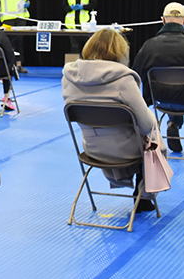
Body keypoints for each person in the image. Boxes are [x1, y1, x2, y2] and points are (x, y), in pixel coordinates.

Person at [62, 28, 158, 212]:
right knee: (153, 139)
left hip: (91, 149)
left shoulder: (68, 77)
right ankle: (144, 194)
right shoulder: (124, 79)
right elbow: (147, 126)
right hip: (126, 151)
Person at [132, 2, 184, 156]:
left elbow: (136, 72)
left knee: (171, 88)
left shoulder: (149, 45)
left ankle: (173, 123)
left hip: (159, 99)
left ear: (163, 20)